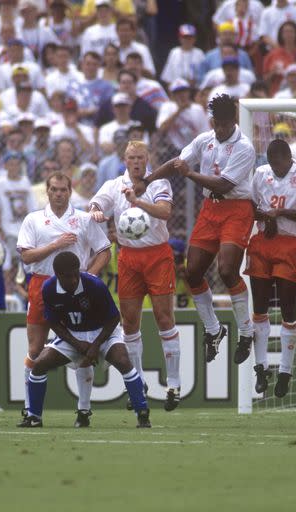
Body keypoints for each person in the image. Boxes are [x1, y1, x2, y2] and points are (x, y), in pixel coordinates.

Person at [133, 94, 255, 366]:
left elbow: (223, 185)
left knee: (226, 270)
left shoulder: (245, 147)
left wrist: (189, 174)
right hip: (210, 210)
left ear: (233, 121)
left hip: (237, 208)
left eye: (224, 124)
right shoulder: (205, 139)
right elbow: (177, 163)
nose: (220, 129)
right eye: (216, 124)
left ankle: (246, 332)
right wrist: (148, 179)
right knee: (192, 272)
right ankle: (214, 330)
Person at [89, 141, 182, 411]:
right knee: (129, 323)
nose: (137, 162)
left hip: (157, 255)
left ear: (148, 158)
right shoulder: (113, 184)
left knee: (165, 318)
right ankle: (137, 383)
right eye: (132, 158)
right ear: (125, 159)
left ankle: (174, 384)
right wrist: (95, 209)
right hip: (128, 257)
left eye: (141, 157)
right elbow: (97, 203)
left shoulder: (158, 183)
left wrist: (137, 202)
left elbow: (165, 212)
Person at [16, 172, 111, 428]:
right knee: (35, 350)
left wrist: (88, 277)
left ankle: (84, 411)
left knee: (83, 349)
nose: (59, 194)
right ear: (47, 191)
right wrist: (56, 244)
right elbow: (26, 257)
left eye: (63, 190)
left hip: (75, 288)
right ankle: (31, 411)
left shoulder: (82, 219)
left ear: (71, 191)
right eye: (54, 190)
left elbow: (104, 251)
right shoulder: (34, 219)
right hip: (41, 284)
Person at [18, 251, 151, 428]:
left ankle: (142, 413)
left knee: (123, 360)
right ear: (57, 275)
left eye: (76, 274)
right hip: (73, 335)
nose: (73, 279)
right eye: (68, 276)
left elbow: (113, 318)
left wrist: (95, 346)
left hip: (104, 333)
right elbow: (53, 322)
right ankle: (34, 417)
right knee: (39, 364)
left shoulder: (94, 285)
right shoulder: (48, 288)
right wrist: (78, 344)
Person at [246, 139, 296, 397]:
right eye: (272, 164)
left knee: (287, 306)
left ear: (289, 158)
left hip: (289, 244)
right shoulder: (260, 174)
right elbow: (250, 208)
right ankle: (261, 368)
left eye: (280, 164)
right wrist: (265, 217)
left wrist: (279, 213)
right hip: (262, 242)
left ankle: (285, 370)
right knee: (259, 306)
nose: (276, 168)